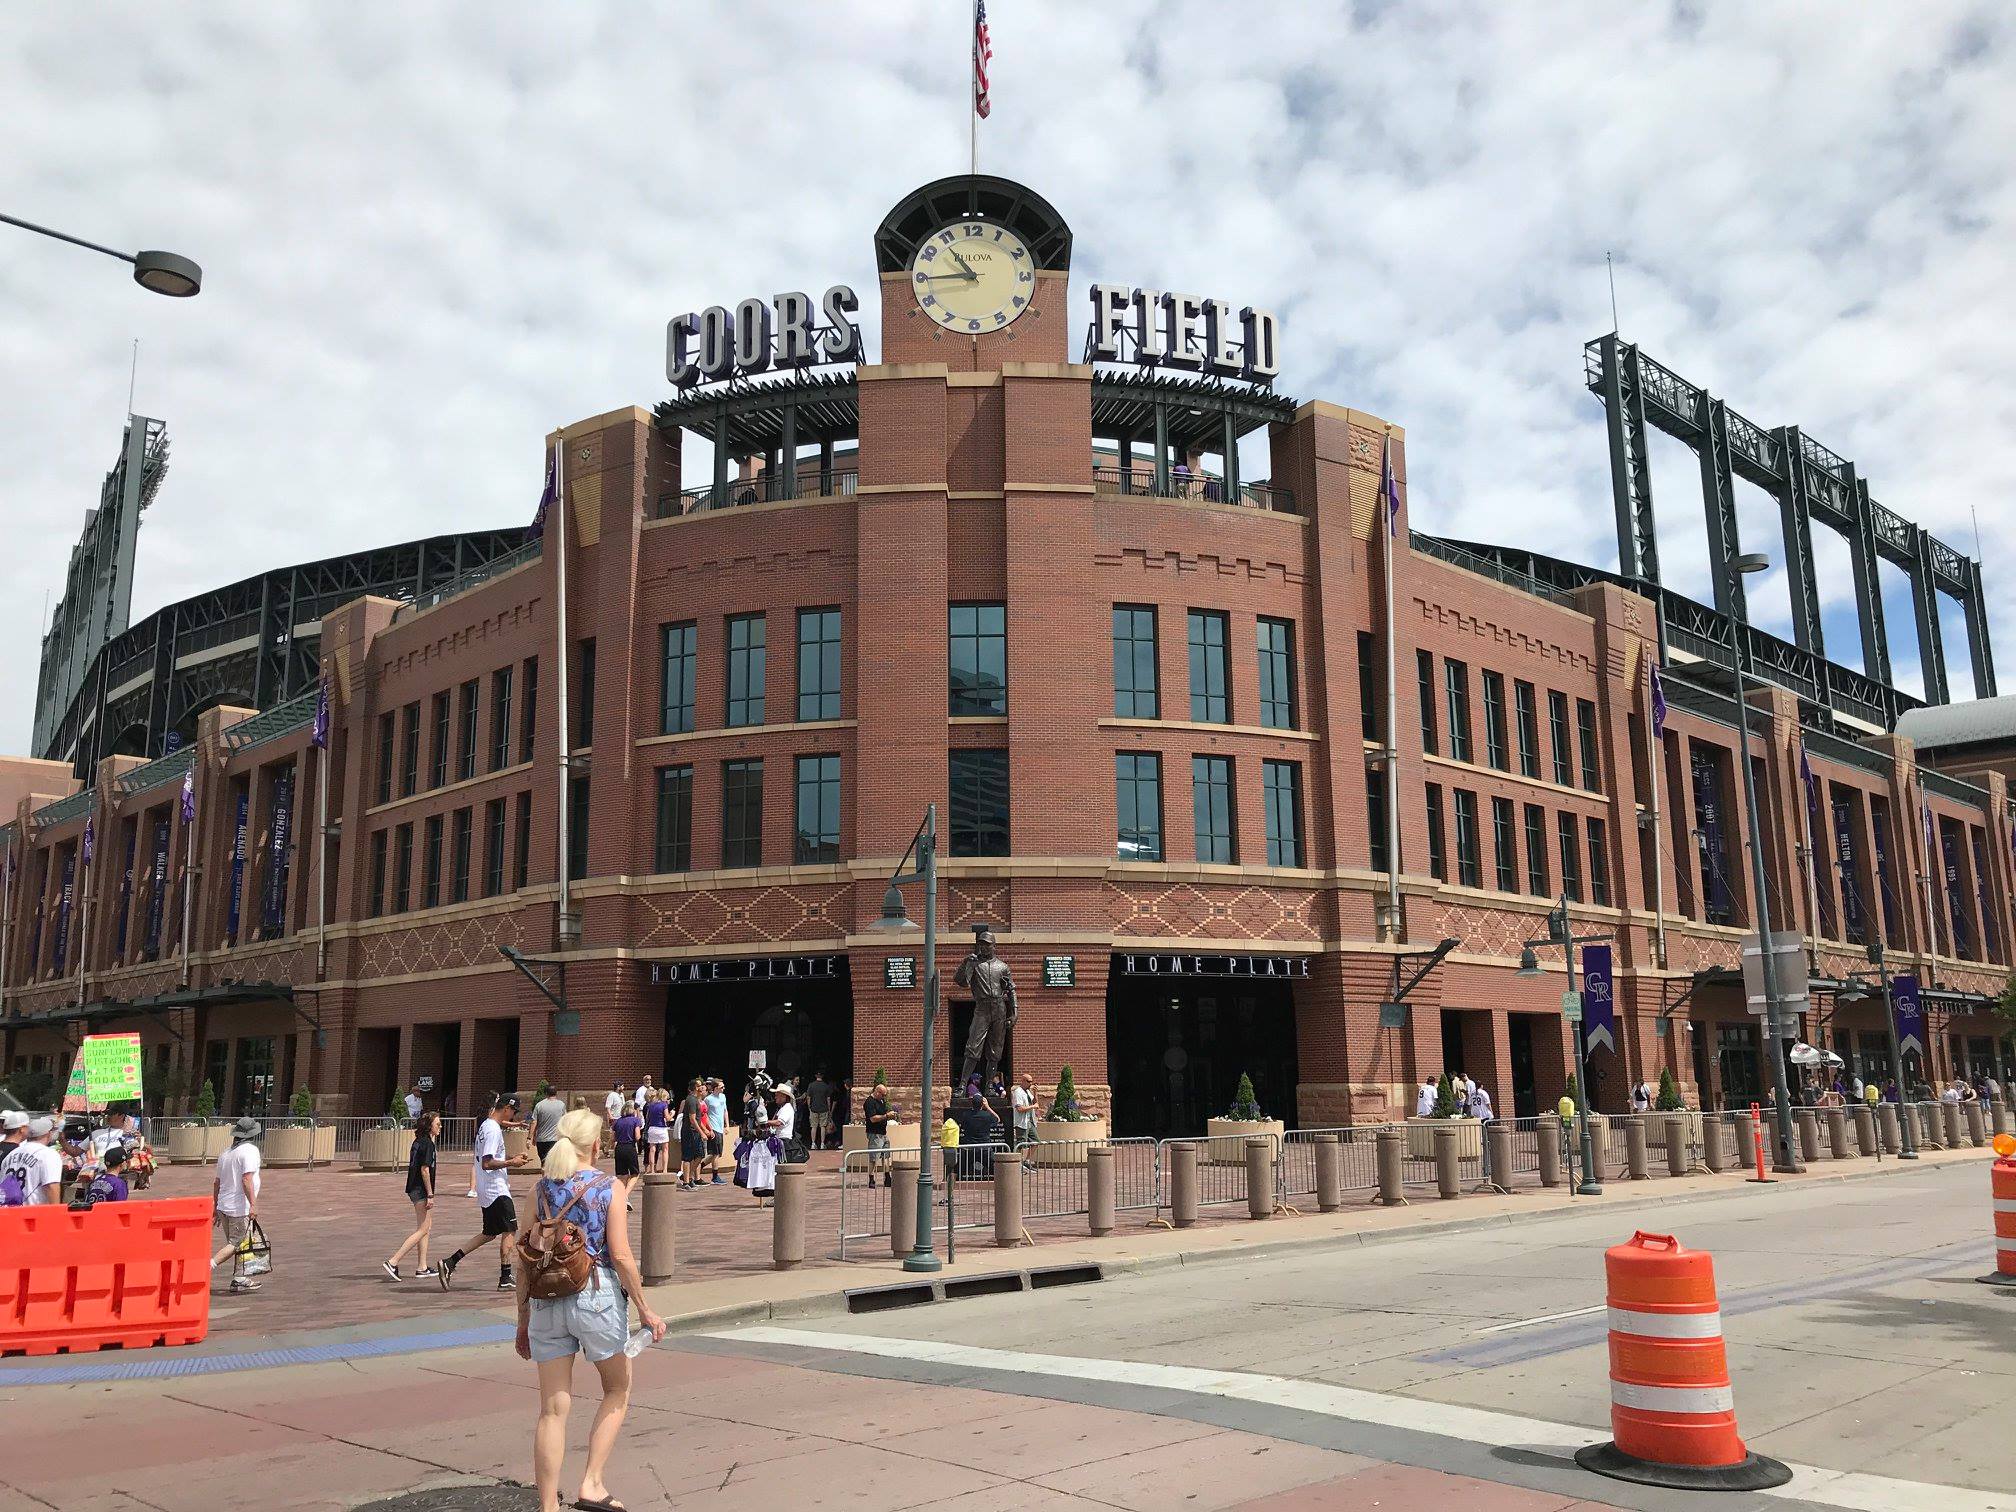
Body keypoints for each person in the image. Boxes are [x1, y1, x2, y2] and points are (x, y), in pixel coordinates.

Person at [517, 1106, 665, 1512]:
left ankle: (548, 1506)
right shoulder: (608, 1187)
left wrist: (522, 1317)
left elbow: (523, 1256)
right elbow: (619, 1254)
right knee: (617, 1387)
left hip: (546, 1298)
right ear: (596, 1145)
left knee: (551, 1408)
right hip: (595, 1295)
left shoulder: (540, 1189)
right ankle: (592, 1483)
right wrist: (645, 1309)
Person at [439, 1094, 534, 1292]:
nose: (514, 1116)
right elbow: (487, 1162)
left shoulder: (486, 1126)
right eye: (514, 1111)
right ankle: (505, 1276)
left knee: (489, 1233)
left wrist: (512, 1157)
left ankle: (450, 1261)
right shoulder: (492, 1130)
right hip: (496, 1188)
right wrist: (511, 1163)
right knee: (510, 1229)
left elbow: (491, 1155)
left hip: (487, 1188)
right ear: (507, 1108)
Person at [208, 1117, 265, 1294]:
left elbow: (217, 1182)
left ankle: (239, 1278)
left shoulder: (226, 1153)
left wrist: (216, 1206)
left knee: (238, 1244)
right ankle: (208, 1266)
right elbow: (246, 1179)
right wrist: (253, 1204)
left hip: (225, 1205)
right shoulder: (250, 1151)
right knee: (237, 1243)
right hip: (238, 1206)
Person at [384, 1110, 441, 1281]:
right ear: (429, 1125)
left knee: (425, 1228)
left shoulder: (418, 1141)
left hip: (413, 1187)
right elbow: (425, 1170)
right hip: (421, 1189)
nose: (440, 1126)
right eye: (437, 1124)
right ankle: (393, 1261)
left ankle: (422, 1267)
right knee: (423, 1228)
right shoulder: (428, 1144)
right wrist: (430, 1194)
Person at [2, 1116, 63, 1206]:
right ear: (49, 1134)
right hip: (33, 1214)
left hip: (9, 1213)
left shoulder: (11, 1154)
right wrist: (57, 1214)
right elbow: (51, 1186)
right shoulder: (49, 1154)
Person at [676, 1079, 706, 1190]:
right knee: (687, 1157)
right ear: (695, 1088)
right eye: (700, 1086)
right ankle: (686, 1182)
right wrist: (702, 1132)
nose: (702, 1087)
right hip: (689, 1132)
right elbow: (692, 1119)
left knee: (699, 1155)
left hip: (696, 1132)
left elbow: (698, 1119)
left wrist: (705, 1130)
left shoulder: (696, 1100)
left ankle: (687, 1176)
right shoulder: (691, 1100)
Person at [611, 1100, 642, 1206]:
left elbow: (613, 1138)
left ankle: (622, 1199)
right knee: (635, 1174)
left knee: (622, 1175)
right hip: (630, 1147)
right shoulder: (635, 1120)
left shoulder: (618, 1121)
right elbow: (637, 1136)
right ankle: (625, 1195)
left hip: (619, 1148)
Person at [863, 1081, 893, 1187]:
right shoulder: (869, 1102)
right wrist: (886, 1116)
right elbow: (873, 1119)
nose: (884, 1097)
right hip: (874, 1133)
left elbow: (883, 1112)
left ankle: (887, 1177)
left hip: (883, 1133)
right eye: (883, 1095)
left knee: (886, 1156)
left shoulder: (881, 1101)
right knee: (874, 1158)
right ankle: (871, 1178)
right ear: (877, 1092)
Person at [703, 1078, 729, 1185]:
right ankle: (715, 1177)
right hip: (713, 1128)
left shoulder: (723, 1097)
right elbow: (705, 1114)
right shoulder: (708, 1099)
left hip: (720, 1127)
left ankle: (697, 1166)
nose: (723, 1088)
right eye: (721, 1087)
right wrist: (708, 1129)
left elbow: (725, 1111)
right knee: (716, 1154)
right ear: (715, 1088)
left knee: (715, 1153)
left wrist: (727, 1125)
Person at [641, 1087, 670, 1174]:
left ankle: (652, 1170)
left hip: (652, 1128)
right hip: (661, 1127)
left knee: (652, 1149)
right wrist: (672, 1114)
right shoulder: (664, 1104)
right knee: (665, 1149)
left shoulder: (651, 1105)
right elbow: (667, 1118)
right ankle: (665, 1169)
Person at [806, 1071, 832, 1151]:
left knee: (813, 1126)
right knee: (822, 1126)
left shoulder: (811, 1085)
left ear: (815, 1076)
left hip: (813, 1108)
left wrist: (809, 1106)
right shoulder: (826, 1086)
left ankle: (813, 1144)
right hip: (824, 1108)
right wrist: (829, 1108)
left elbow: (808, 1097)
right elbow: (828, 1099)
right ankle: (822, 1144)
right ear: (822, 1076)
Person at [1011, 1072, 1037, 1149]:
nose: (1031, 1083)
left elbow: (1036, 1103)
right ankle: (1019, 1160)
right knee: (1021, 1145)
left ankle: (1027, 1159)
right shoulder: (1018, 1092)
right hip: (1021, 1123)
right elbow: (1019, 1109)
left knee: (1036, 1142)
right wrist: (1032, 1106)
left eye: (1031, 1081)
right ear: (1023, 1081)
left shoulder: (1028, 1092)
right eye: (1029, 1081)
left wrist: (1035, 1093)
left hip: (1030, 1121)